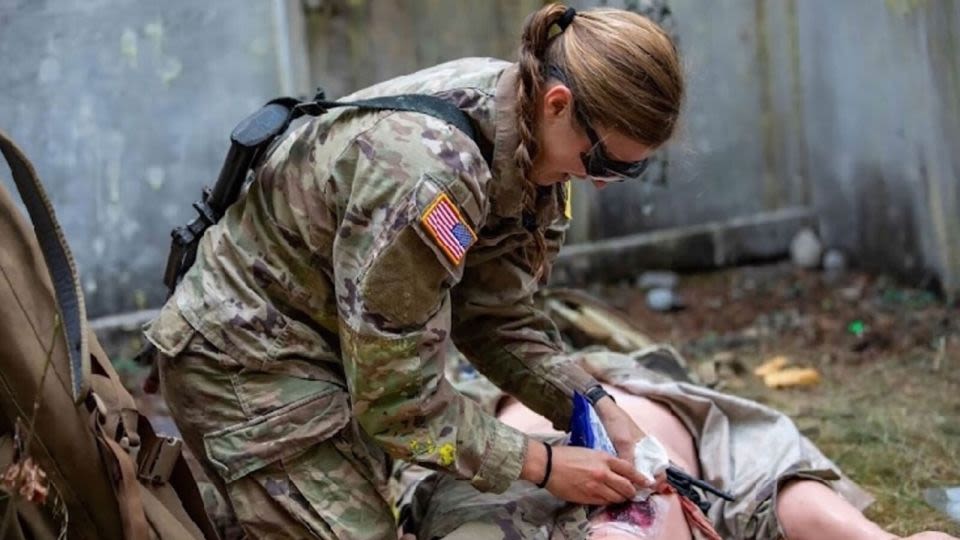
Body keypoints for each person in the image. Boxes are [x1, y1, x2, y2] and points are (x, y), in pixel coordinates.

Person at [144, 4, 684, 538]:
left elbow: (494, 319)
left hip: (334, 349)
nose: (606, 183)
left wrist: (594, 404)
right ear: (559, 102)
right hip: (243, 360)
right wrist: (542, 466)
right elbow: (398, 402)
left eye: (631, 168)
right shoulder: (430, 177)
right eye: (605, 162)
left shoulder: (528, 136)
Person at [397, 344, 960, 540]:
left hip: (532, 392)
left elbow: (777, 490)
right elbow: (774, 491)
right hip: (521, 406)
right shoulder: (724, 483)